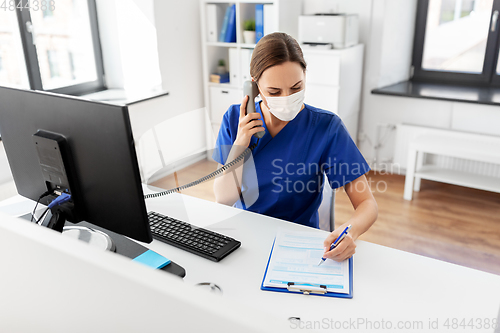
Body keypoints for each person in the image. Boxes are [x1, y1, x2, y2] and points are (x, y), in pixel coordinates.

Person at [212, 32, 377, 262]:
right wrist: (241, 143)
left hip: (300, 246)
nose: (287, 98)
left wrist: (351, 231)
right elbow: (223, 198)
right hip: (245, 241)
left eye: (296, 87)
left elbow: (368, 204)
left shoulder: (327, 128)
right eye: (274, 92)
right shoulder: (234, 119)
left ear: (305, 76)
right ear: (254, 85)